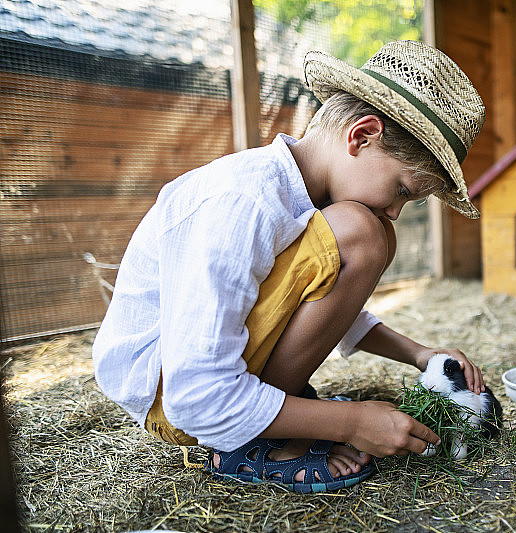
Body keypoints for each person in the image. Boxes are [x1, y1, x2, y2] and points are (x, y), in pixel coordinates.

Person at [92, 40, 486, 493]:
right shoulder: (244, 200)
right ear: (361, 135)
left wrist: (419, 354)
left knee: (367, 231)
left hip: (200, 385)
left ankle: (276, 409)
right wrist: (350, 422)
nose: (396, 210)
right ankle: (251, 443)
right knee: (363, 230)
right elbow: (194, 399)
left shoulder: (298, 198)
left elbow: (305, 305)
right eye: (401, 190)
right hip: (175, 397)